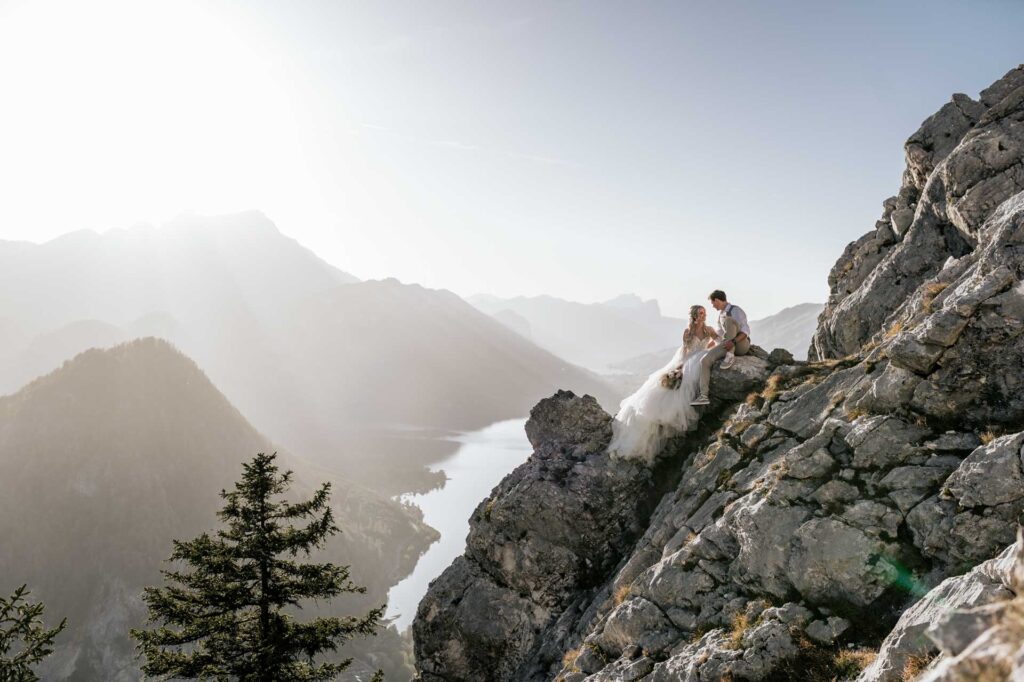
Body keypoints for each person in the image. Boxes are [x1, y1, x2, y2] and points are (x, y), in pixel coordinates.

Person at [607, 305, 719, 463]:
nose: (703, 315)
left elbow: (717, 341)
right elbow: (685, 352)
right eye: (701, 313)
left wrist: (708, 349)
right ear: (694, 315)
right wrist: (680, 367)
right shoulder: (688, 332)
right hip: (688, 362)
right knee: (672, 391)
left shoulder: (709, 330)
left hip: (699, 359)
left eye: (704, 313)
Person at [691, 290, 751, 406]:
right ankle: (703, 396)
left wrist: (733, 342)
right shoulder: (720, 316)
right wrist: (710, 340)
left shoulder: (736, 310)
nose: (713, 306)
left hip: (741, 344)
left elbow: (746, 331)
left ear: (717, 300)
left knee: (729, 321)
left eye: (713, 303)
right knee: (704, 360)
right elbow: (720, 338)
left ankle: (730, 356)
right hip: (728, 344)